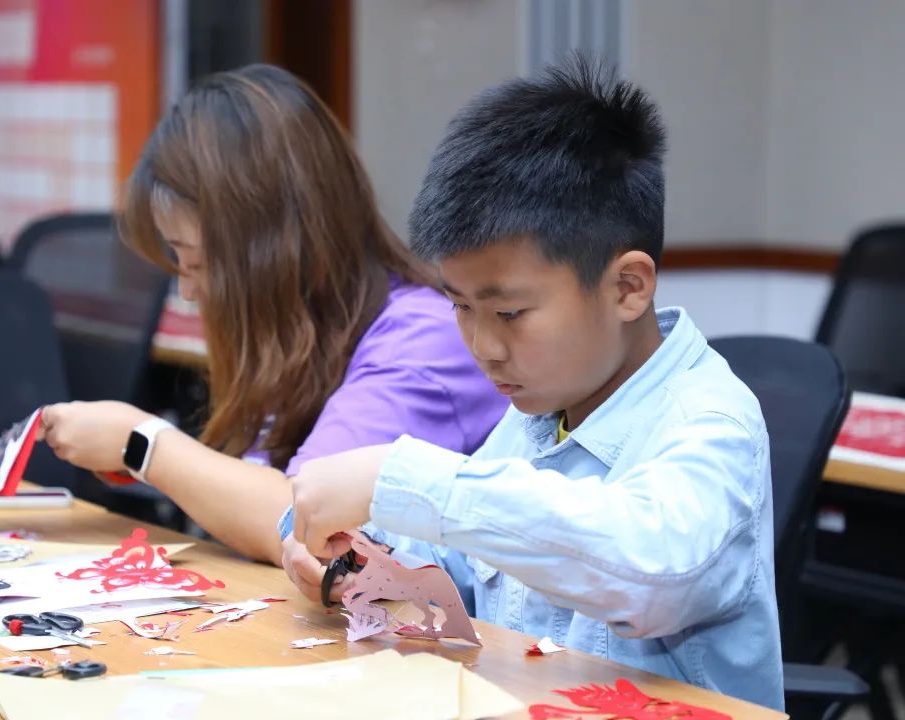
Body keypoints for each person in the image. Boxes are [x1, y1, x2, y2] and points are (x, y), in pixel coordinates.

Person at [283, 58, 785, 710]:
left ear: (627, 287)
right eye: (460, 306)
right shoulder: (542, 409)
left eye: (511, 313)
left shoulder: (710, 420)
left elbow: (652, 570)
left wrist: (402, 478)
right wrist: (357, 561)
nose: (483, 347)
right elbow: (466, 571)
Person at [38, 64, 508, 565]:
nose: (190, 291)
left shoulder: (426, 341)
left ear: (273, 249)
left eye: (196, 263)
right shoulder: (306, 334)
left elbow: (306, 527)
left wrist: (143, 444)